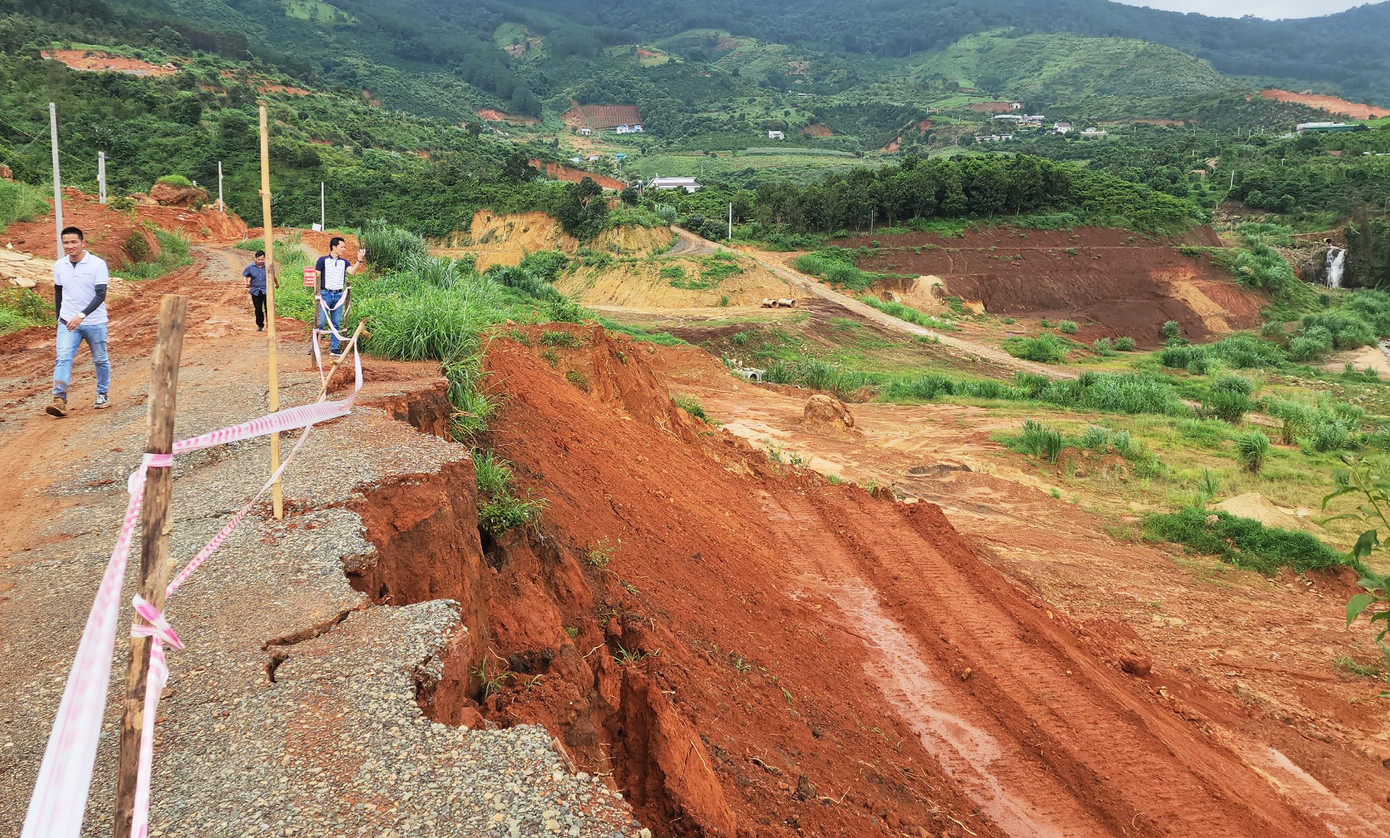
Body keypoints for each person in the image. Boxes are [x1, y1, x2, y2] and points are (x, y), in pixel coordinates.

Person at [46, 226, 111, 417]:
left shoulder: (97, 264)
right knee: (63, 358)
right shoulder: (60, 265)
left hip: (95, 322)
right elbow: (58, 292)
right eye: (66, 242)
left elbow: (100, 295)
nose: (70, 246)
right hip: (67, 322)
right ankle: (59, 399)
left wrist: (81, 315)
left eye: (74, 242)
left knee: (100, 359)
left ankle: (102, 394)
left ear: (83, 243)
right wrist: (59, 316)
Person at [313, 236, 363, 355]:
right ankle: (315, 347)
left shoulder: (344, 262)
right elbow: (316, 276)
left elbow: (352, 272)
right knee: (320, 322)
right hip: (325, 294)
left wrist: (359, 260)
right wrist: (316, 293)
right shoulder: (322, 260)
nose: (344, 249)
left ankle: (335, 348)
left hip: (339, 295)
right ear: (334, 247)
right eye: (342, 247)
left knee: (336, 322)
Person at [241, 249, 279, 331]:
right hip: (255, 291)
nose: (260, 261)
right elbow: (245, 275)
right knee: (258, 309)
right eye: (259, 259)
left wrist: (277, 284)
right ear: (255, 258)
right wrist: (246, 283)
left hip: (266, 291)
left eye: (262, 259)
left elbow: (273, 276)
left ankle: (270, 324)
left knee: (268, 308)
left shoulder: (268, 267)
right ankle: (260, 325)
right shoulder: (250, 267)